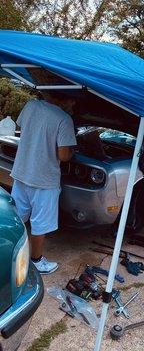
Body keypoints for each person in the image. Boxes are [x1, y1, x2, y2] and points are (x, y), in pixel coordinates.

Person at [11, 93, 77, 274]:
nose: (74, 102)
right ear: (63, 98)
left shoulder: (31, 105)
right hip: (44, 180)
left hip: (22, 173)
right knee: (39, 224)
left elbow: (20, 126)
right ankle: (36, 262)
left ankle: (10, 253)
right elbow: (63, 156)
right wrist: (73, 150)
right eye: (72, 99)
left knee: (16, 218)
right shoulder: (64, 119)